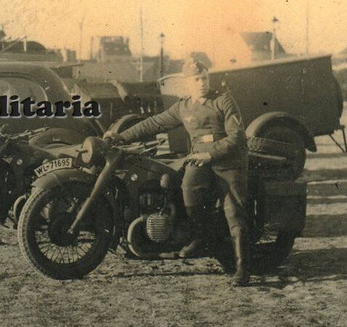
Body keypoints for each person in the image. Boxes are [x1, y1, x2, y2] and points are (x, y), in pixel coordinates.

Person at [105, 61, 253, 286]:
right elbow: (154, 123)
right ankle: (201, 236)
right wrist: (121, 137)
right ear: (187, 83)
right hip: (198, 161)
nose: (202, 83)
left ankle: (243, 268)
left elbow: (236, 137)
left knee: (234, 211)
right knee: (187, 189)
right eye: (196, 80)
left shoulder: (223, 100)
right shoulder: (184, 107)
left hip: (228, 162)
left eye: (204, 78)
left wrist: (209, 155)